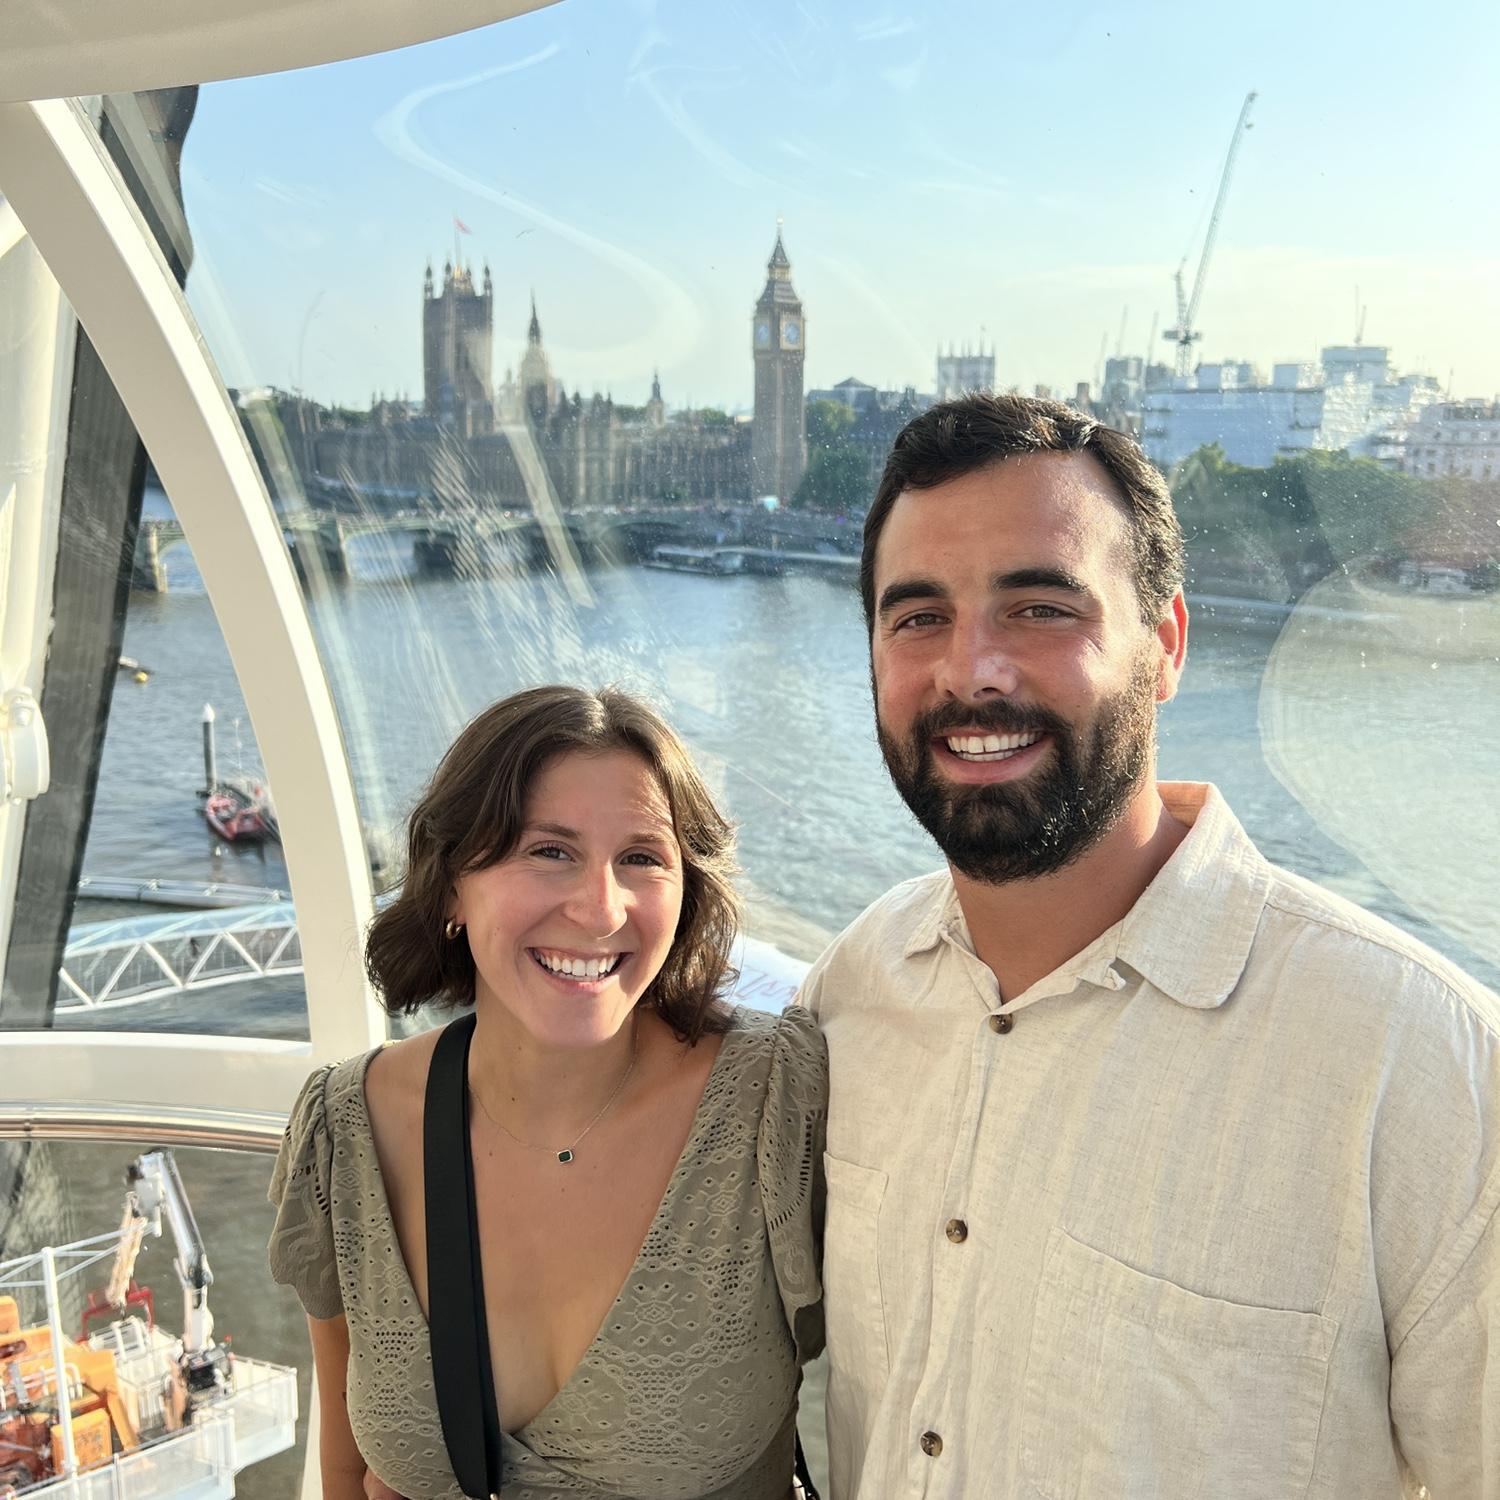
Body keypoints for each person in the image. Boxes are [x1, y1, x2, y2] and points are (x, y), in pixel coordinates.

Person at [801, 393, 1499, 1498]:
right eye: (916, 616)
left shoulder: (1425, 1068)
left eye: (1039, 608)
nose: (972, 671)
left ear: (1164, 644)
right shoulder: (851, 992)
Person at [268, 685, 826, 1500]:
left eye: (642, 857)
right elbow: (354, 1471)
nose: (600, 909)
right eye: (549, 851)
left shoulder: (773, 1103)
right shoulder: (347, 1133)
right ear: (453, 884)